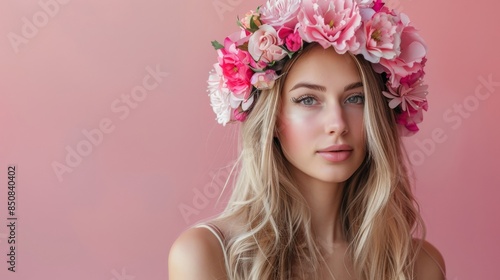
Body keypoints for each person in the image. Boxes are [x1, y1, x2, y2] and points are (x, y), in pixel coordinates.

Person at [169, 0, 446, 279]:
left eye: (355, 98)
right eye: (308, 99)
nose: (337, 124)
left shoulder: (419, 266)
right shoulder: (207, 255)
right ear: (273, 119)